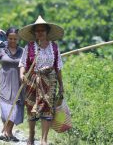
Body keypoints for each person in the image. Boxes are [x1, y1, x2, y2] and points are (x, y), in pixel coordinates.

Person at [18, 16, 64, 145]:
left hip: (50, 81)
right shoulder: (30, 47)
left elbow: (58, 66)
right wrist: (22, 75)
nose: (40, 33)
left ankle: (44, 139)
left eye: (42, 30)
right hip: (33, 80)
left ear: (47, 32)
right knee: (31, 108)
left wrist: (61, 85)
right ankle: (31, 136)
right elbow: (22, 63)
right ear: (34, 33)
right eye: (37, 31)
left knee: (47, 109)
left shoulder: (54, 47)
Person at [0, 27, 24, 142]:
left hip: (18, 82)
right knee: (5, 107)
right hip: (5, 82)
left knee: (16, 107)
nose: (12, 41)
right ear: (7, 38)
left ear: (18, 39)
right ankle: (7, 132)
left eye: (15, 39)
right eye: (10, 38)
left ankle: (9, 132)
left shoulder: (22, 51)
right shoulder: (2, 50)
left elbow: (27, 64)